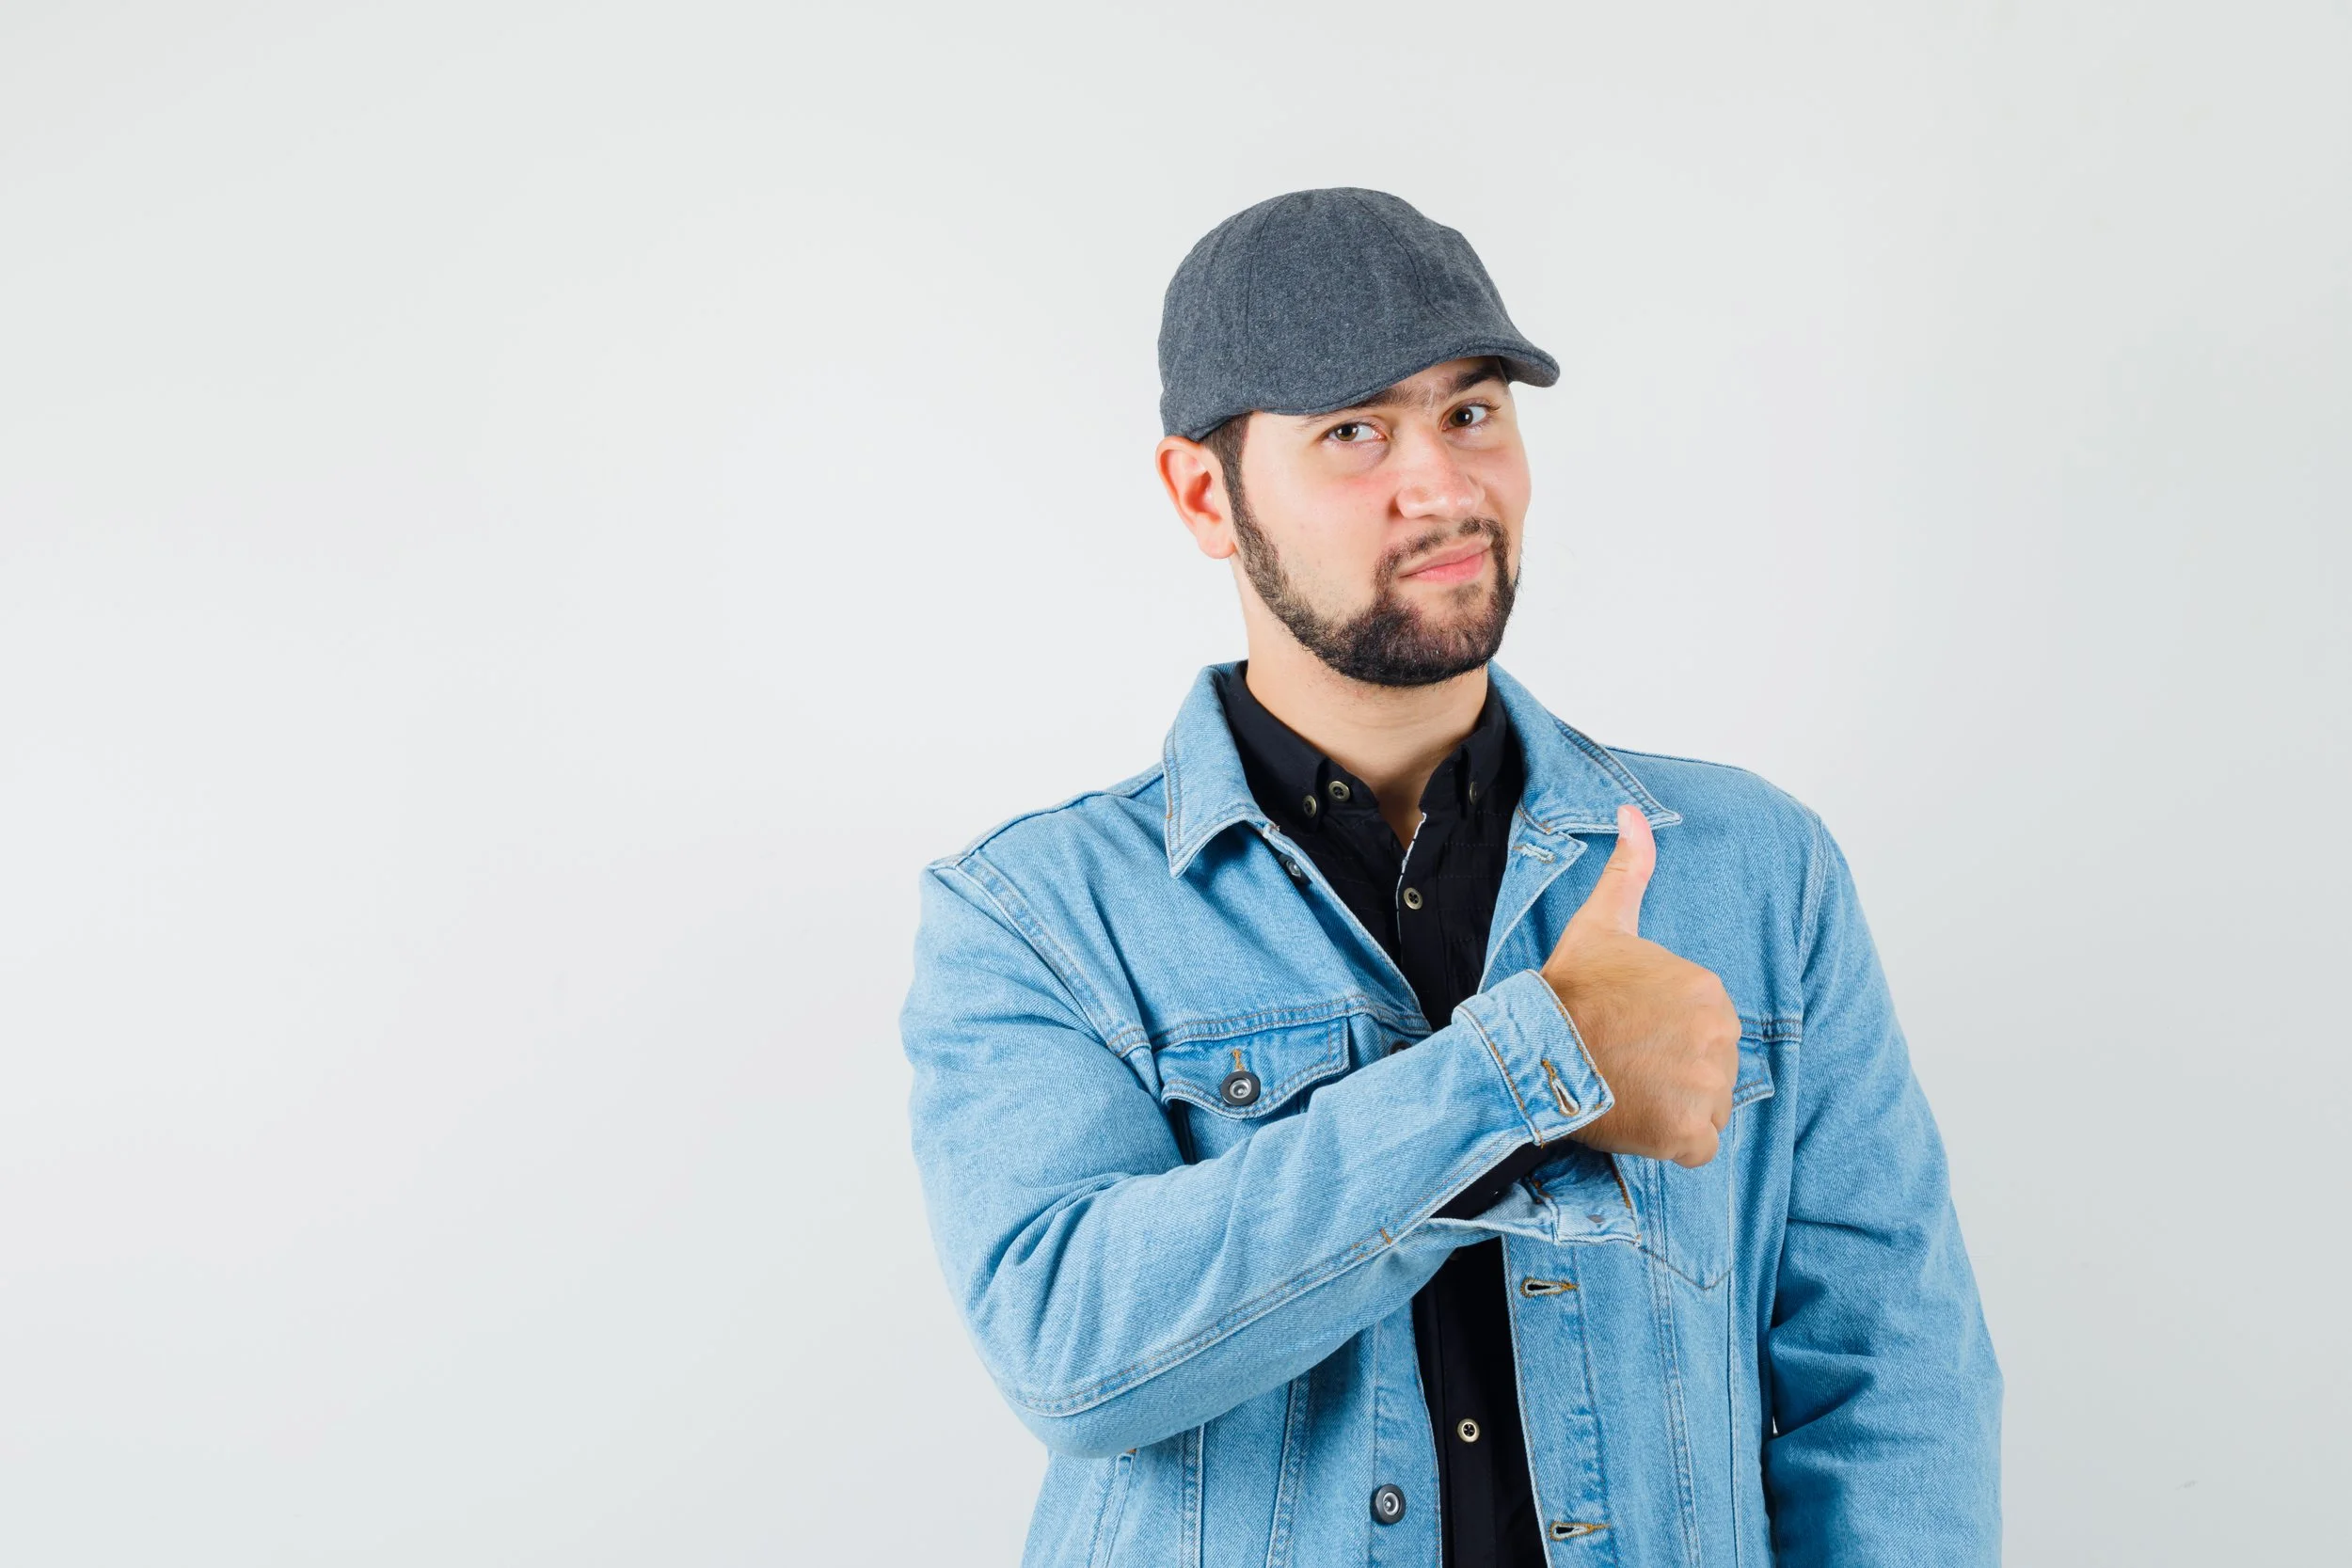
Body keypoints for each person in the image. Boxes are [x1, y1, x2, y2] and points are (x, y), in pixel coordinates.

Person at [900, 188, 1999, 1566]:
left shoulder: (1752, 868)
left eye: (1470, 412)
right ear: (1204, 495)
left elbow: (1892, 1383)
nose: (1442, 487)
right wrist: (1533, 1070)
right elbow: (1073, 1353)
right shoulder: (1040, 913)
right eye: (1354, 432)